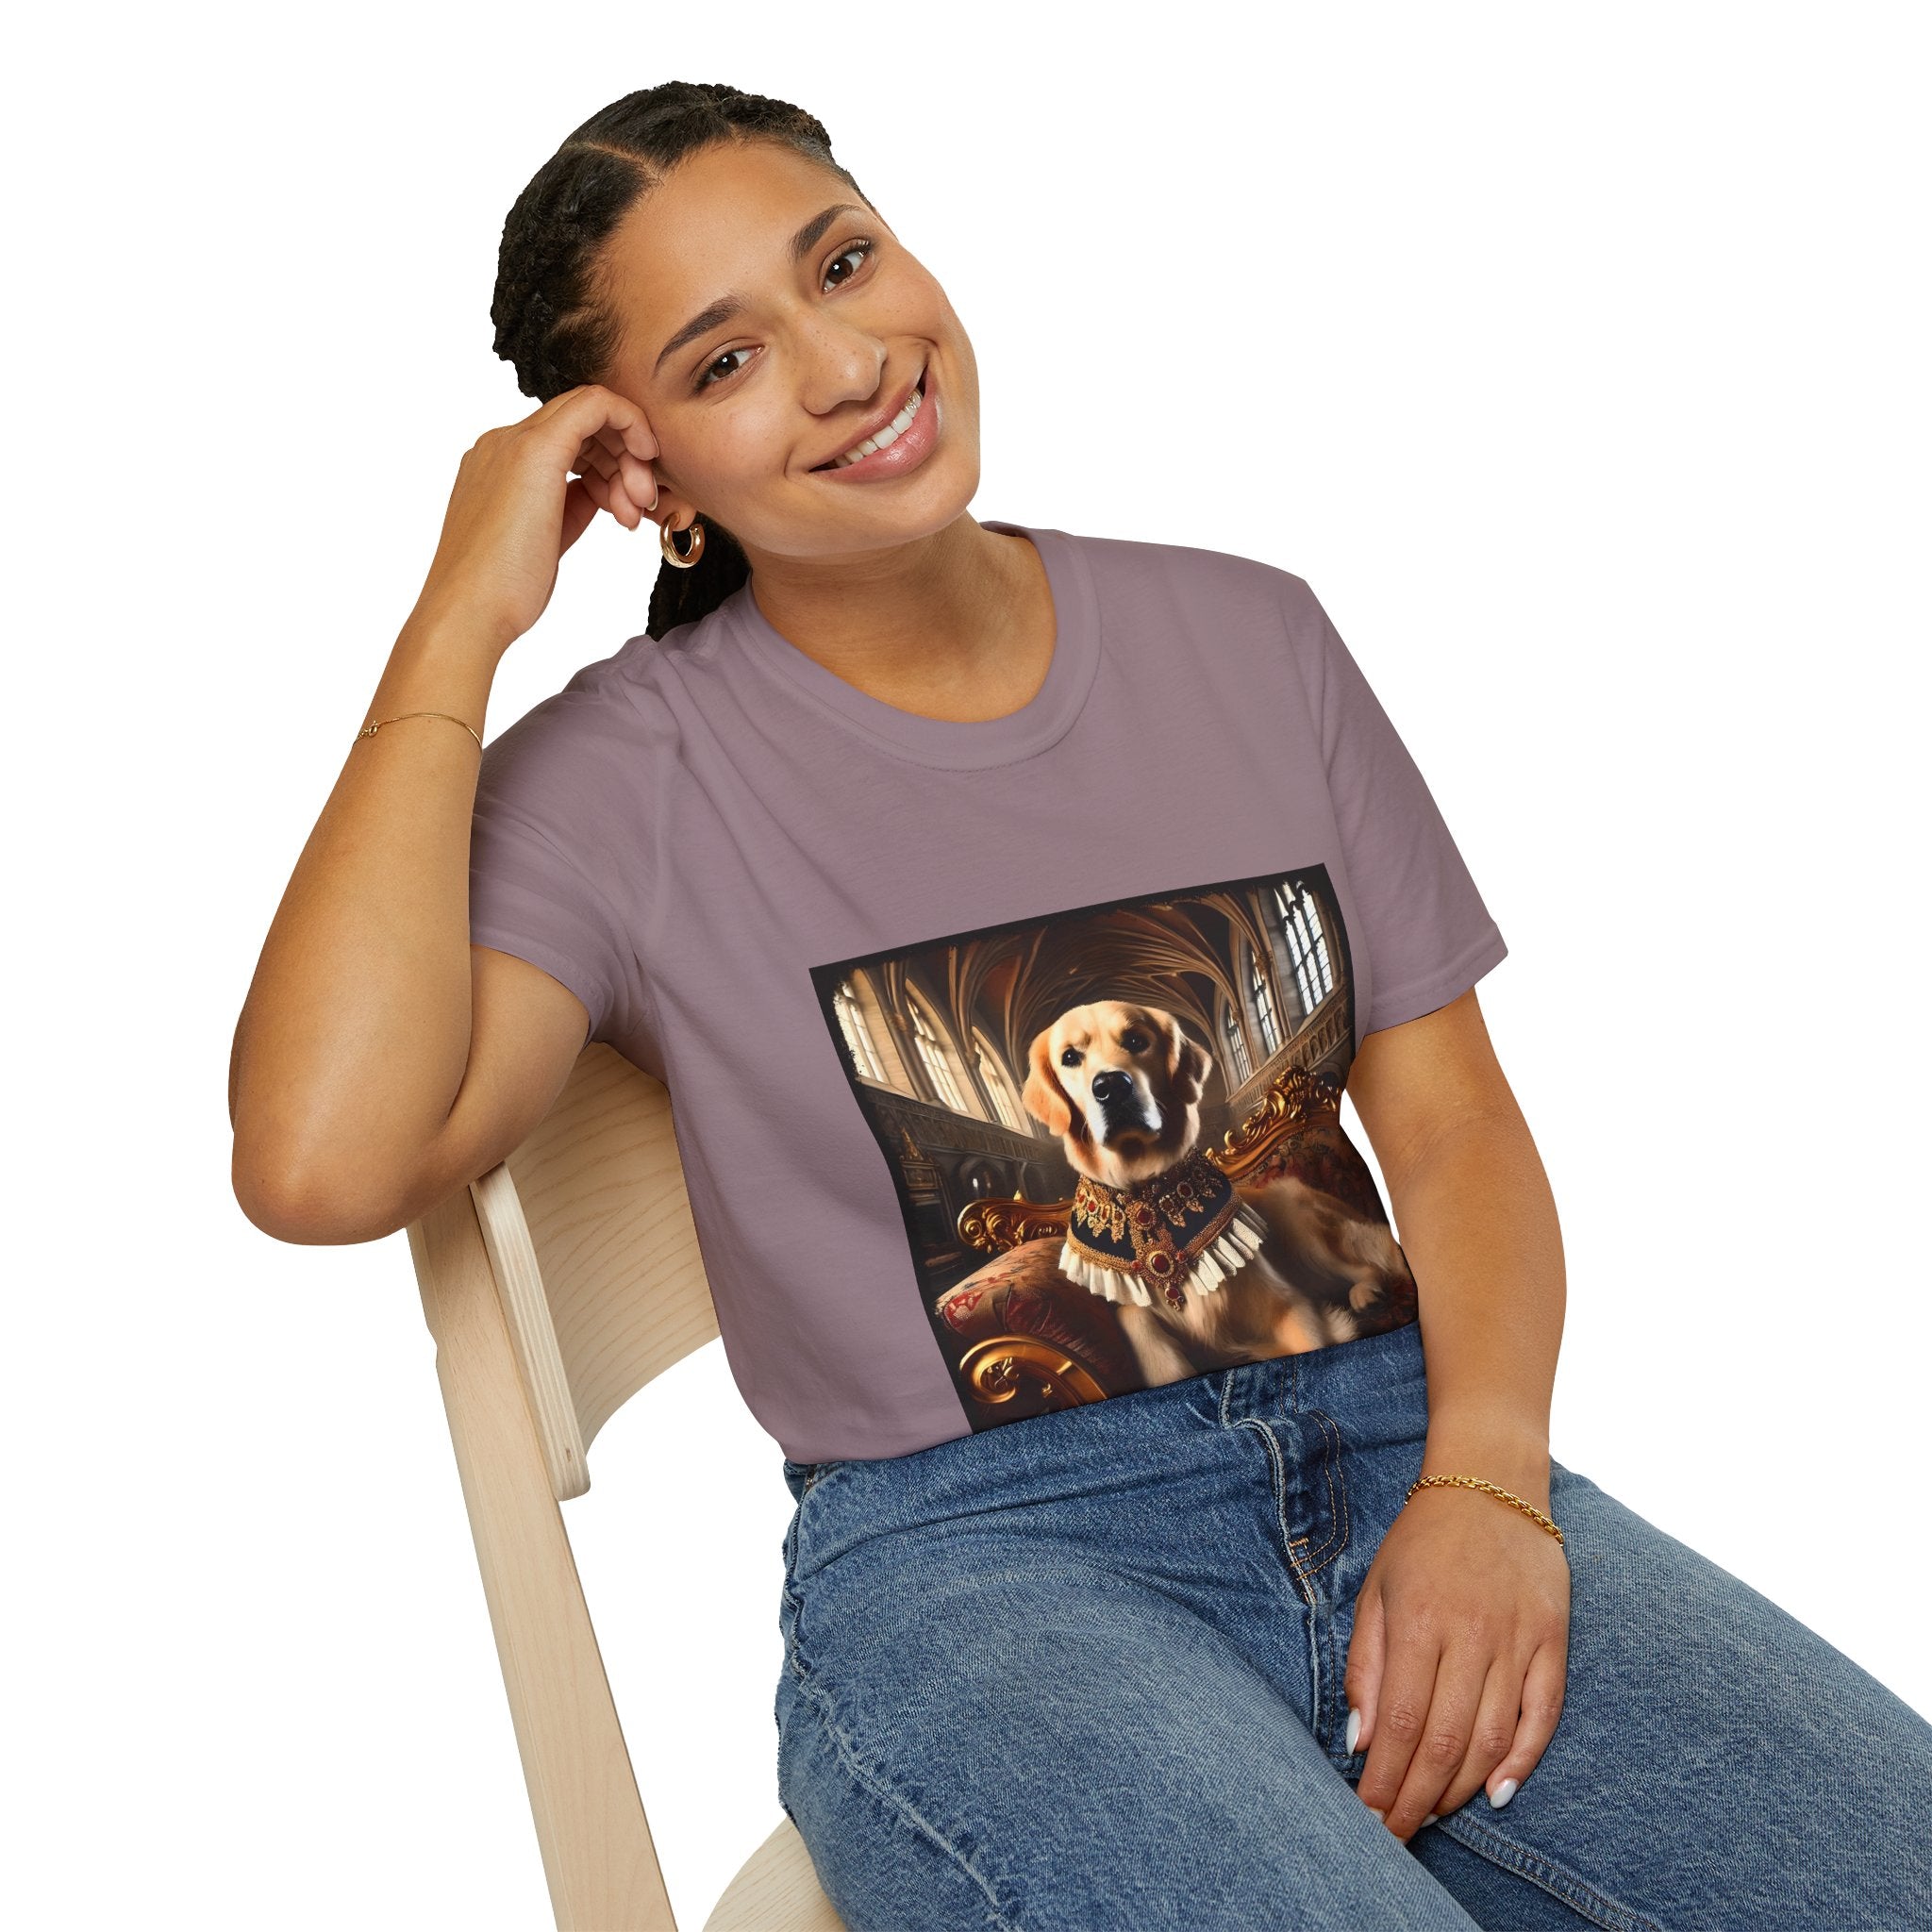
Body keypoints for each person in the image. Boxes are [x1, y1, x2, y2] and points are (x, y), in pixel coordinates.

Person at [228, 80, 1932, 1932]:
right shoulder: (627, 775)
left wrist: (1490, 1487)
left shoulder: (1248, 638)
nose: (845, 362)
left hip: (1404, 1446)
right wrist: (456, 619)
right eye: (724, 362)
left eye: (845, 263)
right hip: (986, 1568)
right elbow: (321, 1158)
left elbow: (1448, 1129)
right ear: (648, 481)